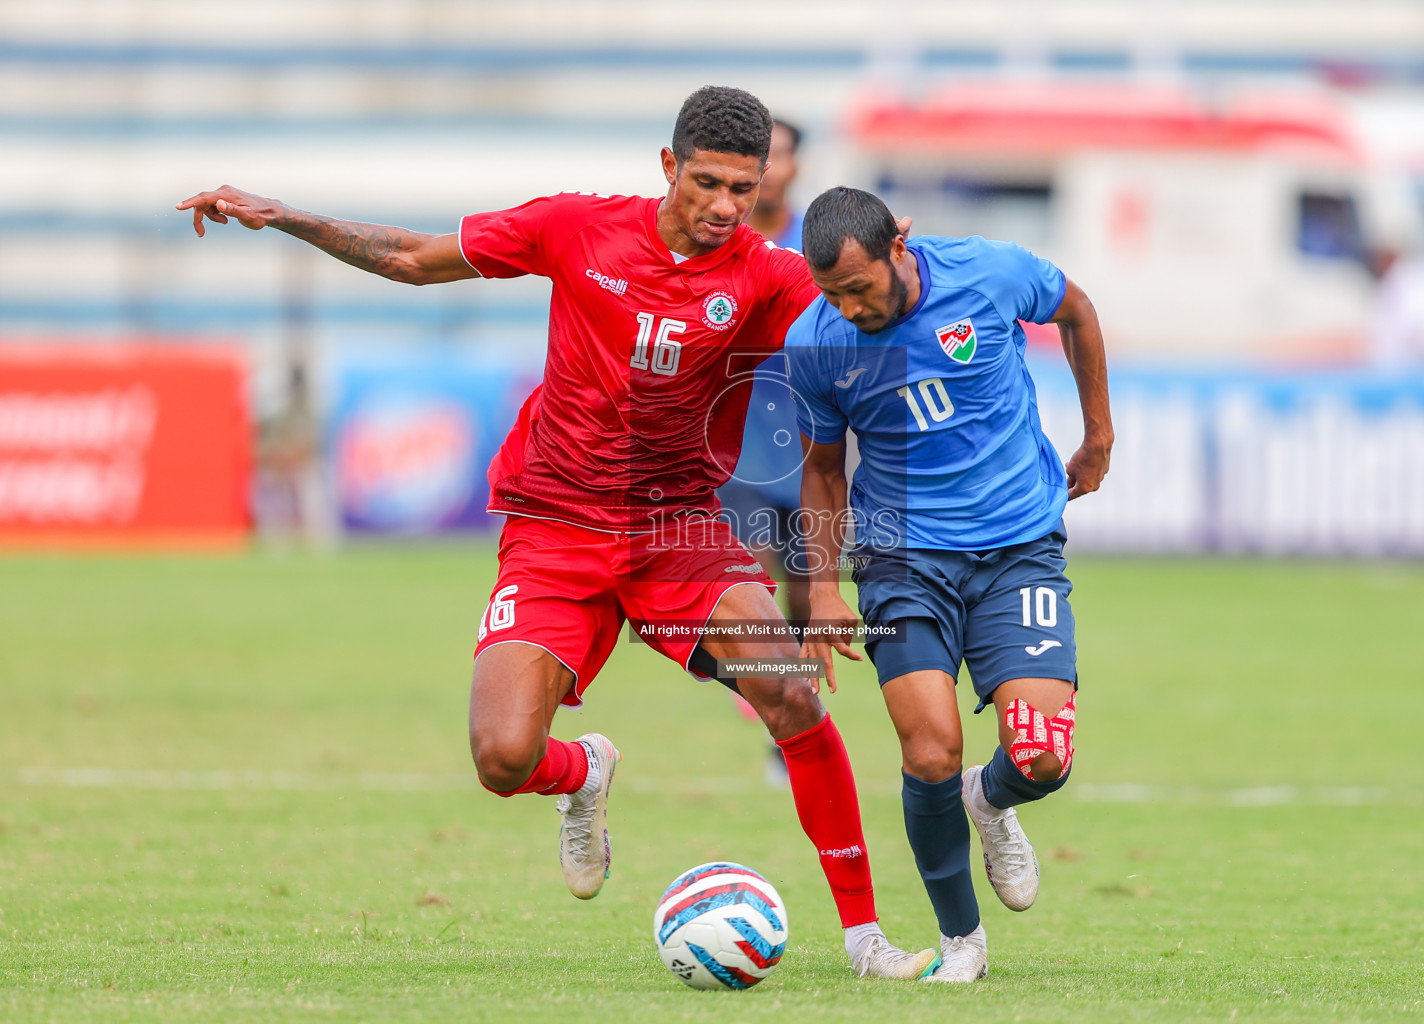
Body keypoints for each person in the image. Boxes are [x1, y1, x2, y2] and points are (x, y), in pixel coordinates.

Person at [175, 89, 937, 980]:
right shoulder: (576, 228)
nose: (723, 205)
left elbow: (874, 310)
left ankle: (864, 938)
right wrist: (286, 216)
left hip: (679, 534)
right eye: (705, 183)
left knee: (794, 695)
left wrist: (914, 266)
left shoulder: (769, 276)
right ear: (667, 166)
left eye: (741, 186)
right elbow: (415, 260)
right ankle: (582, 773)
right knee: (502, 758)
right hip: (555, 527)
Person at [789, 187, 1113, 982]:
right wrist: (823, 589)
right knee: (928, 748)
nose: (850, 307)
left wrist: (1098, 434)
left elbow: (1078, 310)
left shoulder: (989, 273)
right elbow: (824, 469)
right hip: (902, 558)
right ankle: (962, 939)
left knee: (1040, 758)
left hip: (1018, 546)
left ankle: (991, 799)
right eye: (832, 293)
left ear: (899, 242)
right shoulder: (817, 341)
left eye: (859, 287)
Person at [718, 117, 809, 787]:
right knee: (746, 580)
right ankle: (763, 686)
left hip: (813, 447)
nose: (768, 167)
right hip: (737, 446)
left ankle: (788, 728)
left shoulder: (824, 243)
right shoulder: (720, 242)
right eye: (759, 156)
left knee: (810, 594)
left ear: (795, 167)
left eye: (777, 156)